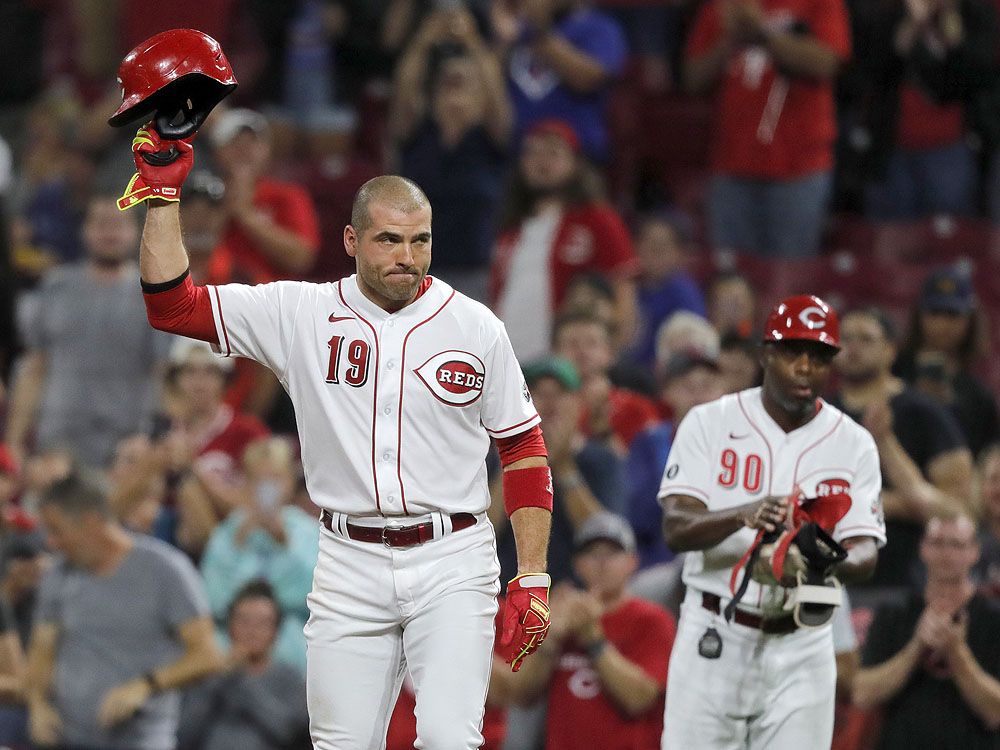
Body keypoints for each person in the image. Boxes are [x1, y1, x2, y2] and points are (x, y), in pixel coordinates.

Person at [126, 121, 553, 749]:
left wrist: (534, 575)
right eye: (388, 240)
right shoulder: (299, 311)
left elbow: (522, 448)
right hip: (348, 557)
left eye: (419, 241)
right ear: (352, 240)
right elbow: (171, 305)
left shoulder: (475, 325)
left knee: (445, 738)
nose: (407, 257)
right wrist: (162, 200)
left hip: (452, 557)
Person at [659, 294, 885, 749]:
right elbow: (676, 527)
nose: (805, 366)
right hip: (713, 632)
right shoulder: (709, 422)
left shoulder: (854, 443)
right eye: (791, 352)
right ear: (765, 354)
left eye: (819, 356)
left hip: (803, 643)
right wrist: (740, 513)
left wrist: (823, 558)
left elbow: (866, 550)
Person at [26, 472, 222, 750]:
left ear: (90, 522)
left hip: (140, 741)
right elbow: (42, 648)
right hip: (67, 740)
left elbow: (208, 656)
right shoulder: (58, 574)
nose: (51, 543)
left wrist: (145, 685)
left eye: (57, 530)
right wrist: (37, 704)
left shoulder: (165, 570)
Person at [6, 194, 172, 468]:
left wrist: (150, 436)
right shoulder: (55, 287)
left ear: (136, 231)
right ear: (84, 230)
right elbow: (35, 367)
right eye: (101, 224)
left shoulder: (154, 294)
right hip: (57, 443)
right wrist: (14, 441)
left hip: (124, 446)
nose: (110, 233)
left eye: (118, 225)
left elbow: (163, 374)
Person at [685, 0, 849, 256]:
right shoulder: (724, 5)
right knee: (730, 273)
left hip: (799, 166)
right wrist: (730, 40)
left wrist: (762, 34)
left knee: (790, 276)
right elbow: (693, 78)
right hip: (731, 163)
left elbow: (827, 63)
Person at [503, 512, 676, 749]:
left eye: (612, 553)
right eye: (592, 553)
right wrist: (550, 638)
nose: (602, 562)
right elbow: (521, 695)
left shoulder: (652, 620)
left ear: (632, 562)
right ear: (577, 564)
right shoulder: (559, 616)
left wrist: (594, 641)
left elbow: (639, 699)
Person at [830, 306, 974, 589]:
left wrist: (884, 443)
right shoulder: (822, 413)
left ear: (890, 350)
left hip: (906, 582)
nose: (853, 347)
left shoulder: (923, 412)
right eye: (845, 338)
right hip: (835, 580)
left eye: (866, 339)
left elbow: (958, 510)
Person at [489, 118, 638, 360]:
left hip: (564, 365)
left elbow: (623, 291)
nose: (541, 161)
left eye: (553, 152)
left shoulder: (598, 219)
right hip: (510, 360)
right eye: (533, 153)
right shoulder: (510, 231)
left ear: (575, 163)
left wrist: (610, 354)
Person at [392, 5, 512, 302]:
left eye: (464, 82)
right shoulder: (419, 133)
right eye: (448, 81)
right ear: (432, 92)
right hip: (415, 268)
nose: (455, 84)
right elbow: (404, 90)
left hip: (478, 269)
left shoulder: (488, 138)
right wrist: (423, 40)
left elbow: (496, 92)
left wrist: (473, 42)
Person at [853, 511, 1000, 748]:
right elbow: (863, 694)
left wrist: (957, 652)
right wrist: (917, 646)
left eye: (957, 545)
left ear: (975, 551)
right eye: (938, 543)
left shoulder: (993, 619)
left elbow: (995, 712)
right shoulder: (895, 613)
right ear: (923, 549)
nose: (947, 554)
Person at [200, 437, 318, 673]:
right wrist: (238, 546)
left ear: (288, 482)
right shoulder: (229, 533)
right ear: (245, 482)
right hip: (232, 639)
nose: (266, 488)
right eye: (257, 479)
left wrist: (284, 544)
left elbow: (316, 595)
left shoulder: (308, 531)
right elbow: (213, 599)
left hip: (291, 639)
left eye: (274, 479)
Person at [178, 579, 308, 750]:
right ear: (229, 626)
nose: (252, 630)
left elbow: (291, 735)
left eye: (262, 623)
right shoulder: (206, 676)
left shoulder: (290, 679)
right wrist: (219, 679)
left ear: (276, 631)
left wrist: (239, 678)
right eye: (244, 621)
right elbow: (183, 735)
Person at [497, 0, 628, 162]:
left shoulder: (599, 27)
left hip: (578, 158)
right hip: (518, 156)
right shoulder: (517, 31)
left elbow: (587, 80)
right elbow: (493, 84)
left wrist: (539, 30)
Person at [894, 266, 999, 458]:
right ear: (919, 315)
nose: (942, 324)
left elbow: (984, 456)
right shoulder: (892, 372)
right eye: (935, 313)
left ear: (969, 320)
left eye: (952, 314)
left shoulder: (979, 397)